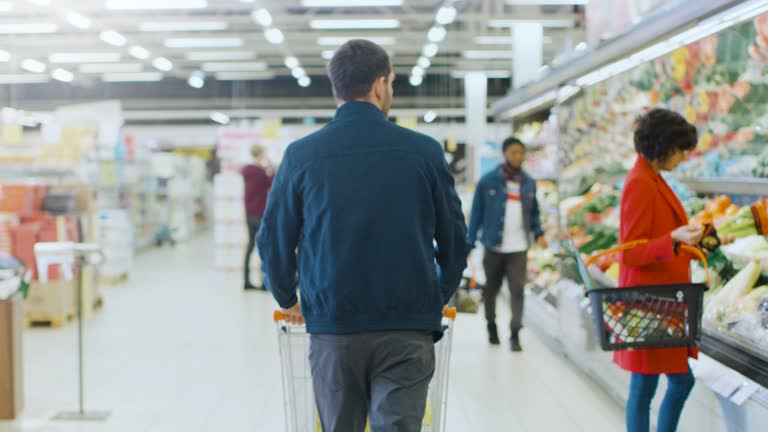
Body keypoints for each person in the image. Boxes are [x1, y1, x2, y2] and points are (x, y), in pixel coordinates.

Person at [257, 40, 468, 432]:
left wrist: (288, 298)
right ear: (379, 85)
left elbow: (273, 242)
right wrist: (435, 294)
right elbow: (455, 239)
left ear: (337, 89)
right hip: (407, 326)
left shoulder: (302, 155)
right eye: (390, 83)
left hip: (334, 326)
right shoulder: (423, 152)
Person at [619, 108, 701, 432]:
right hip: (651, 302)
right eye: (680, 150)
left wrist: (691, 238)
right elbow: (631, 252)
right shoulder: (640, 182)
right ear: (664, 145)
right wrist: (673, 239)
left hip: (659, 301)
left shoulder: (651, 178)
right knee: (657, 385)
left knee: (648, 385)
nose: (682, 158)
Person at [467, 137, 546, 352]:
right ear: (504, 154)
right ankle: (491, 325)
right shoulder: (488, 182)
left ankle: (515, 333)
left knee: (517, 291)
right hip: (493, 246)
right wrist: (469, 242)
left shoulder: (529, 182)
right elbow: (476, 214)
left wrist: (538, 233)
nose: (518, 157)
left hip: (518, 248)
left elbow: (535, 213)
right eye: (513, 152)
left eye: (521, 153)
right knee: (491, 290)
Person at [241, 144, 273, 291]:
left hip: (248, 213)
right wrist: (270, 169)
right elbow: (272, 183)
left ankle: (246, 281)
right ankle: (263, 282)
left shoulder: (246, 171)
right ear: (260, 154)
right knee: (263, 247)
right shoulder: (260, 172)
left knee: (249, 246)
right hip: (260, 213)